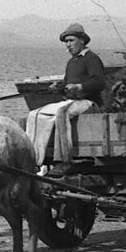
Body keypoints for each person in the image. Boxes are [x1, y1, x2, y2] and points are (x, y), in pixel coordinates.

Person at [26, 23, 106, 173]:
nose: (68, 45)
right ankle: (34, 160)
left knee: (61, 113)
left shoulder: (91, 58)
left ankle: (63, 160)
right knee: (35, 114)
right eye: (66, 42)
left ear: (82, 40)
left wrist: (79, 87)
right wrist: (59, 86)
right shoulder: (72, 62)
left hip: (88, 102)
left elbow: (99, 82)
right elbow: (68, 83)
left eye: (71, 40)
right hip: (71, 102)